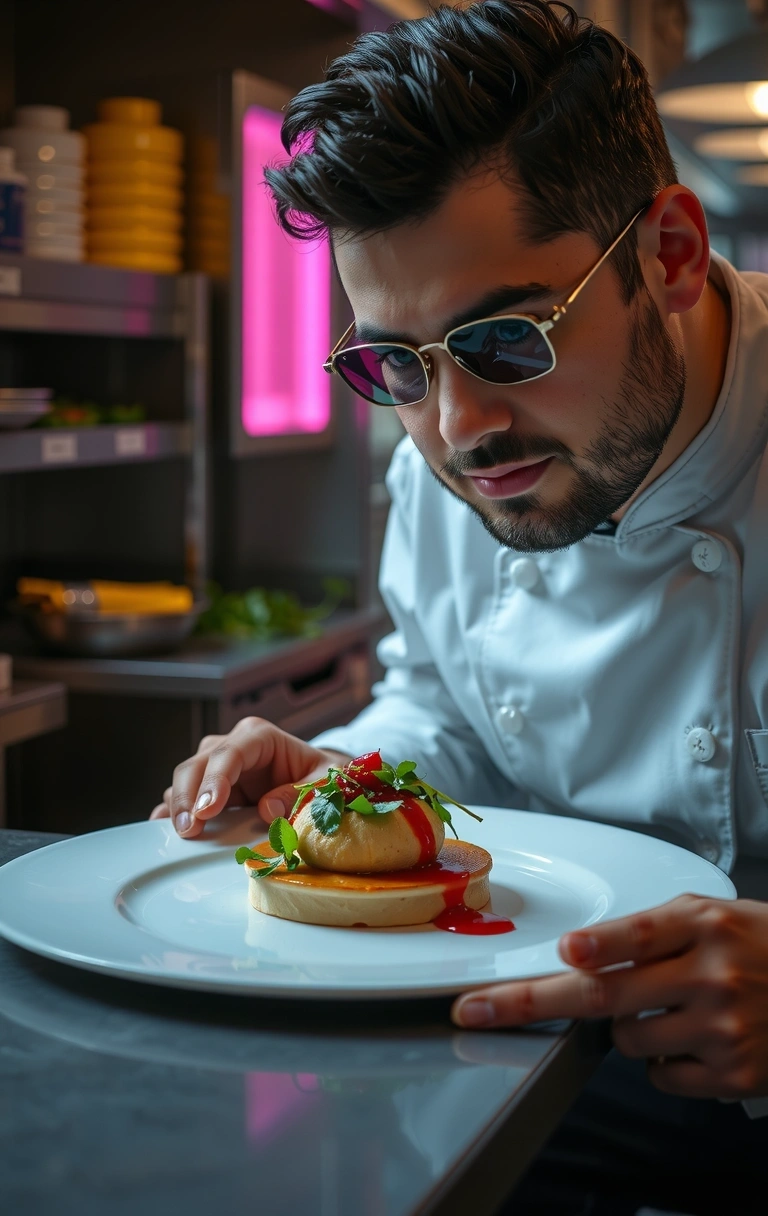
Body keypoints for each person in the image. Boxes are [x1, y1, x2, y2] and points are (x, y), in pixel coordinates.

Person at [151, 2, 768, 1210]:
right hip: (559, 1057)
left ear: (674, 256)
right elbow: (450, 709)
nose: (456, 429)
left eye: (506, 338)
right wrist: (343, 776)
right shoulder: (452, 467)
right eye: (394, 364)